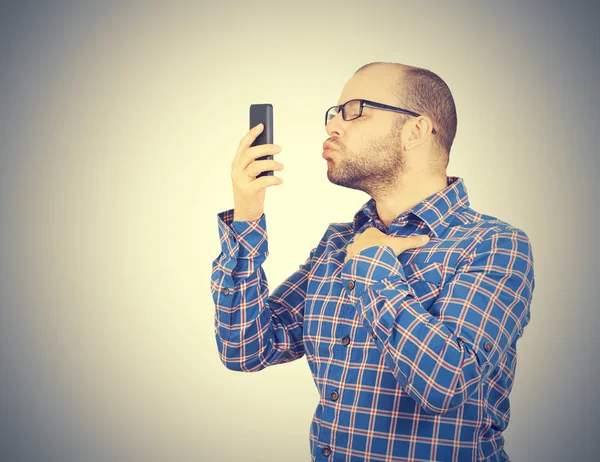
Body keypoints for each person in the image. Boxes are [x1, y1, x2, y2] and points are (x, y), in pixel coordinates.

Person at [210, 62, 535, 461]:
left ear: (415, 131)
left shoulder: (494, 245)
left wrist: (373, 266)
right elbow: (246, 348)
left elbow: (446, 383)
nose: (333, 127)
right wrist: (246, 215)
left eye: (356, 110)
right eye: (334, 113)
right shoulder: (337, 243)